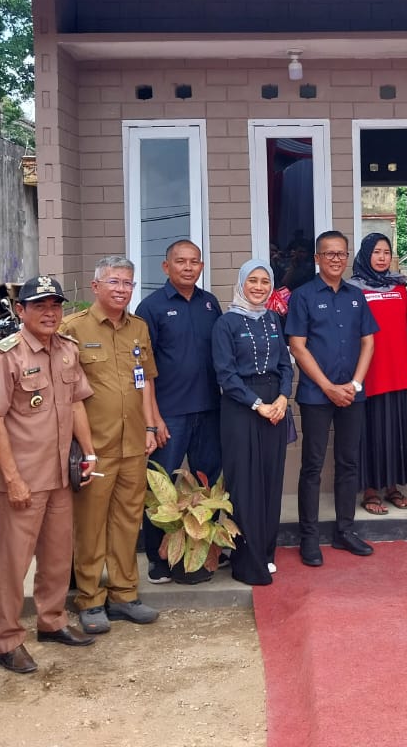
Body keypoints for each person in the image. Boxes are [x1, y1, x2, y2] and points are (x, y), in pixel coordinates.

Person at [0, 275, 98, 674]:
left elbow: (78, 404)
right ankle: (8, 639)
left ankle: (52, 621)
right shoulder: (7, 355)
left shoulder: (68, 350)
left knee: (56, 557)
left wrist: (90, 453)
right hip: (24, 479)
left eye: (55, 306)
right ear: (20, 311)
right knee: (12, 564)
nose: (49, 313)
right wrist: (11, 478)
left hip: (61, 474)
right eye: (39, 306)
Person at [60, 256, 160, 632]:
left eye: (128, 284)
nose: (122, 290)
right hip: (95, 446)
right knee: (90, 524)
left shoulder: (138, 328)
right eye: (114, 282)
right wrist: (82, 447)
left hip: (133, 443)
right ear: (95, 286)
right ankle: (90, 598)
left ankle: (124, 594)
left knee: (127, 521)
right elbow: (68, 395)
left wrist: (150, 427)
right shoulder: (73, 329)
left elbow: (146, 380)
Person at [287, 229, 379, 565]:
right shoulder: (303, 296)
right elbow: (298, 346)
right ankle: (309, 537)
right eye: (329, 254)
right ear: (317, 258)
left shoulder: (357, 296)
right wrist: (327, 386)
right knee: (312, 467)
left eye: (341, 253)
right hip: (316, 394)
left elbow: (369, 341)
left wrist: (354, 385)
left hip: (352, 393)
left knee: (348, 462)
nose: (336, 259)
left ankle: (345, 531)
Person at [136, 240, 224, 584]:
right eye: (180, 262)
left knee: (207, 484)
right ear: (166, 267)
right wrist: (152, 418)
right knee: (161, 489)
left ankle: (208, 551)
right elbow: (143, 368)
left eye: (194, 262)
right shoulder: (151, 308)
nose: (188, 267)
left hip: (209, 410)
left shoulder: (210, 304)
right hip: (169, 415)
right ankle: (159, 559)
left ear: (201, 267)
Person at [212, 259, 295, 585]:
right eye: (253, 281)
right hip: (240, 409)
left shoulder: (274, 319)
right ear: (242, 283)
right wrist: (258, 404)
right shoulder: (226, 323)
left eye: (265, 281)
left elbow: (285, 365)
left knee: (270, 480)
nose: (259, 287)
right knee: (244, 483)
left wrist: (283, 398)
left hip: (275, 407)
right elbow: (225, 373)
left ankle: (266, 551)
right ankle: (247, 560)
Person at [348, 232, 407, 514]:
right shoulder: (354, 289)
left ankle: (393, 487)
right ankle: (370, 490)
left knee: (395, 431)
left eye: (386, 252)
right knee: (371, 432)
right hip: (368, 372)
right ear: (366, 254)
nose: (381, 257)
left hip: (397, 370)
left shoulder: (399, 288)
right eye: (376, 252)